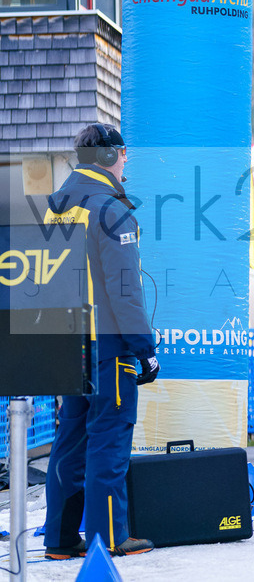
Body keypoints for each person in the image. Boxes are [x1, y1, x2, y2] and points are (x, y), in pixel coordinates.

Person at [42, 124, 159, 559]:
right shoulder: (112, 210)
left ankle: (59, 540)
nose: (126, 160)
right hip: (107, 345)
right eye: (123, 153)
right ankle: (109, 537)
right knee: (109, 437)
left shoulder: (57, 209)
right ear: (111, 157)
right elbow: (124, 290)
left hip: (66, 344)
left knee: (69, 441)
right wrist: (144, 350)